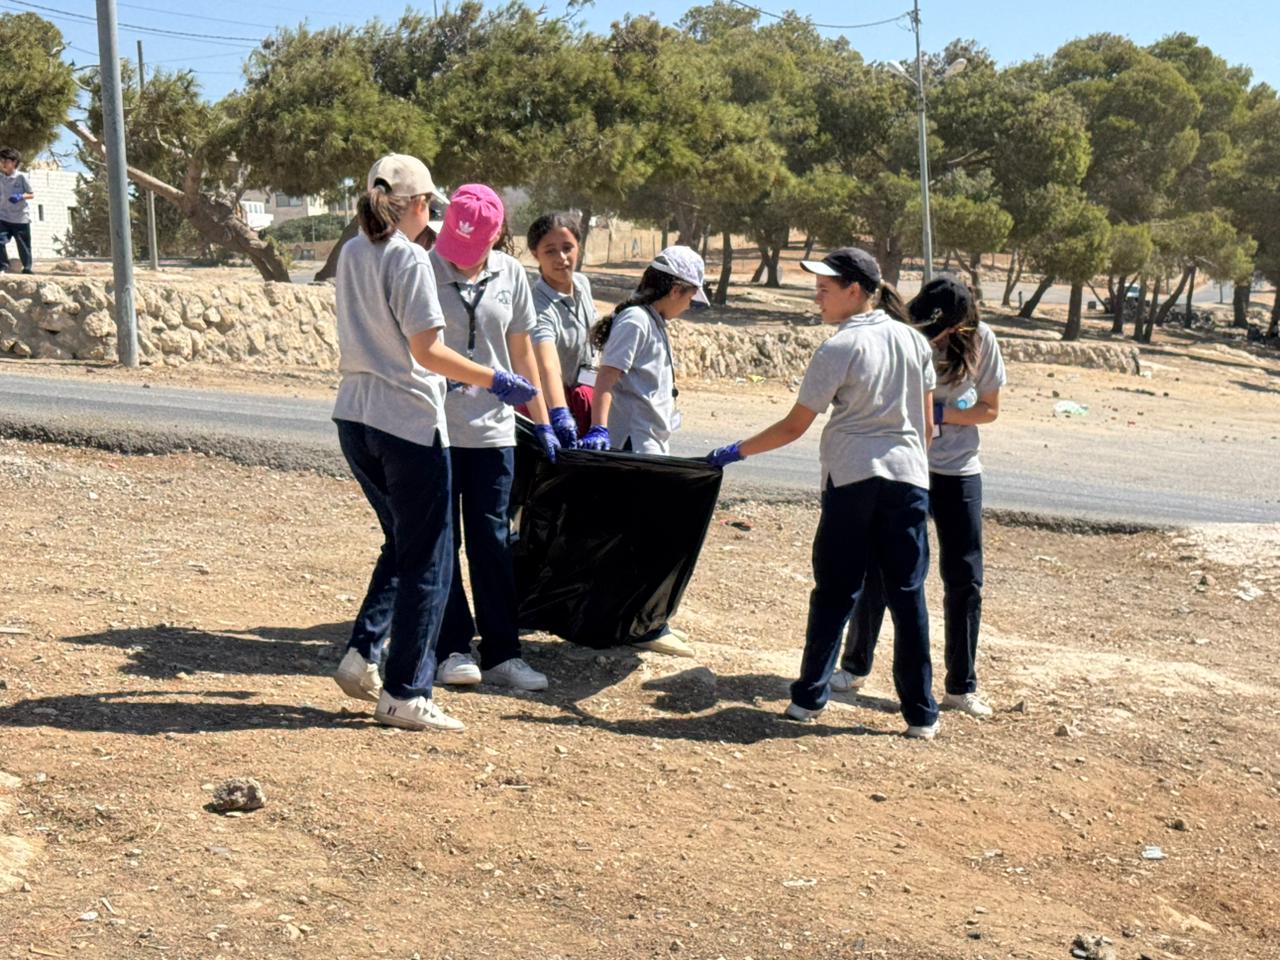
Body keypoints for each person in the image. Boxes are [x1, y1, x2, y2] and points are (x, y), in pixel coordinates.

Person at [330, 155, 539, 732]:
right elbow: (427, 351)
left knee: (403, 541)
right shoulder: (408, 258)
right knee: (430, 558)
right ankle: (406, 690)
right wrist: (493, 379)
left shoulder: (353, 251)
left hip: (354, 414)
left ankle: (363, 651)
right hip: (407, 421)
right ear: (420, 204)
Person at [706, 247, 941, 739]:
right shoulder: (913, 342)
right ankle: (921, 714)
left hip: (853, 479)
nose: (817, 298)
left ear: (853, 291)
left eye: (824, 289)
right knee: (907, 596)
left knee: (836, 590)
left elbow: (794, 426)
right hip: (908, 481)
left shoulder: (840, 347)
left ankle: (809, 698)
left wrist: (735, 451)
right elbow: (927, 428)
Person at [834, 276, 1005, 718]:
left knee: (965, 577)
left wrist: (937, 413)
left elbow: (989, 409)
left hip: (958, 471)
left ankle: (961, 686)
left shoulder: (983, 342)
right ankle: (853, 667)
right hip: (908, 466)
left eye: (942, 330)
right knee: (879, 569)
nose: (935, 337)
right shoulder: (907, 335)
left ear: (960, 325)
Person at [430, 184, 555, 694]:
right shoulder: (423, 268)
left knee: (493, 542)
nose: (461, 258)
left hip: (493, 433)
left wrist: (543, 419)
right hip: (434, 429)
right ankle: (452, 647)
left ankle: (504, 652)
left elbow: (522, 352)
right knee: (442, 540)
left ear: (497, 235)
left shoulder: (511, 275)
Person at [580, 245, 709, 657]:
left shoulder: (652, 321)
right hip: (633, 445)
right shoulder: (636, 321)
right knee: (639, 541)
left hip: (650, 443)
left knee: (642, 539)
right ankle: (637, 625)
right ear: (675, 289)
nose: (689, 306)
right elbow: (607, 378)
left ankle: (640, 621)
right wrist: (599, 428)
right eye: (690, 297)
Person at [526, 212, 599, 444]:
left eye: (567, 248)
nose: (561, 258)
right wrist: (559, 412)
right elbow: (548, 365)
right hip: (552, 406)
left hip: (585, 399)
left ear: (579, 247)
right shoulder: (536, 305)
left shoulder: (582, 284)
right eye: (550, 251)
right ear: (535, 254)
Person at [0, 147, 35, 274]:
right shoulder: (1, 178)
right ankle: (3, 266)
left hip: (20, 219)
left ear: (14, 162)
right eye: (1, 161)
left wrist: (20, 196)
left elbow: (31, 194)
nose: (3, 163)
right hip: (3, 217)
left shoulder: (21, 177)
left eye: (6, 161)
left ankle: (27, 268)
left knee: (24, 246)